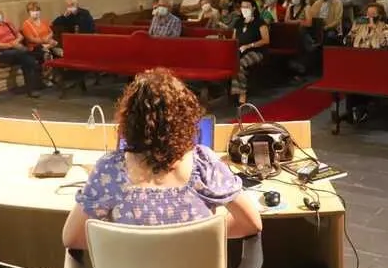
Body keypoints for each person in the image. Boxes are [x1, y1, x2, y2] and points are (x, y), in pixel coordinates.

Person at [61, 69, 262, 249]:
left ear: (129, 120)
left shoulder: (110, 171)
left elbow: (73, 238)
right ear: (186, 118)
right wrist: (203, 234)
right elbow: (251, 224)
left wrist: (121, 240)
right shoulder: (204, 165)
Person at [0, 8, 42, 97]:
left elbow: (20, 36)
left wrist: (16, 42)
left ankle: (31, 89)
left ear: (2, 14)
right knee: (27, 57)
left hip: (17, 51)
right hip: (3, 53)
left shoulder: (8, 24)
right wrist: (11, 45)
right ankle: (33, 87)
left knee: (26, 61)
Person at [230, 0, 270, 105]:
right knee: (232, 63)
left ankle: (242, 94)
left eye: (247, 7)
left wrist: (249, 45)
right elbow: (234, 39)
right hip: (240, 50)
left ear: (253, 8)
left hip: (256, 51)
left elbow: (266, 40)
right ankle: (235, 92)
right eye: (243, 7)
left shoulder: (260, 22)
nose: (244, 9)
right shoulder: (238, 22)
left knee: (240, 65)